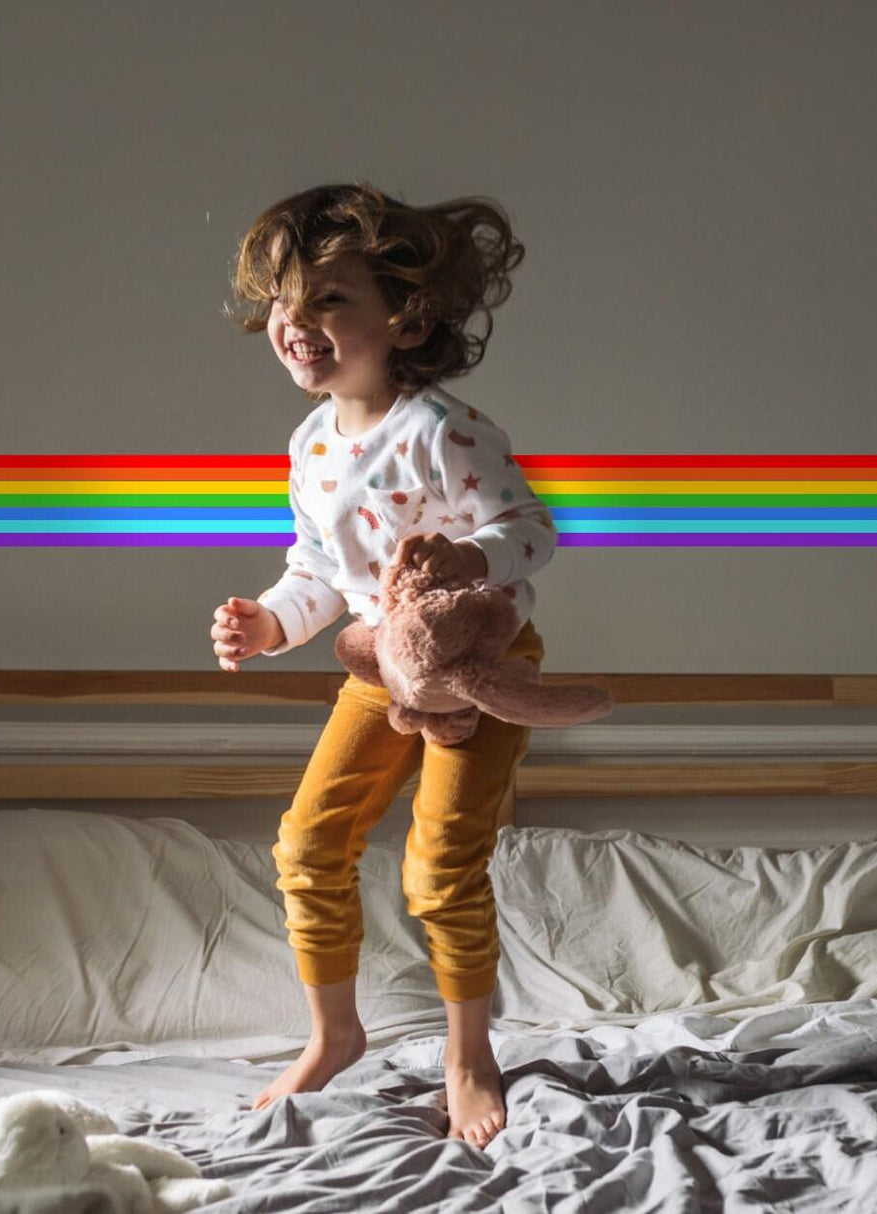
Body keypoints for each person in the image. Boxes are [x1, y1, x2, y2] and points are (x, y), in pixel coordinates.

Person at [210, 182, 557, 1148]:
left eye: (329, 299)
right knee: (307, 845)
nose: (297, 323)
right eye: (283, 302)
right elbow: (320, 572)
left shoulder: (443, 430)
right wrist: (269, 624)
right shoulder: (310, 443)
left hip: (478, 663)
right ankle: (334, 1035)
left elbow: (532, 530)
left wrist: (467, 560)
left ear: (406, 317)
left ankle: (468, 1058)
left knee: (440, 864)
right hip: (380, 669)